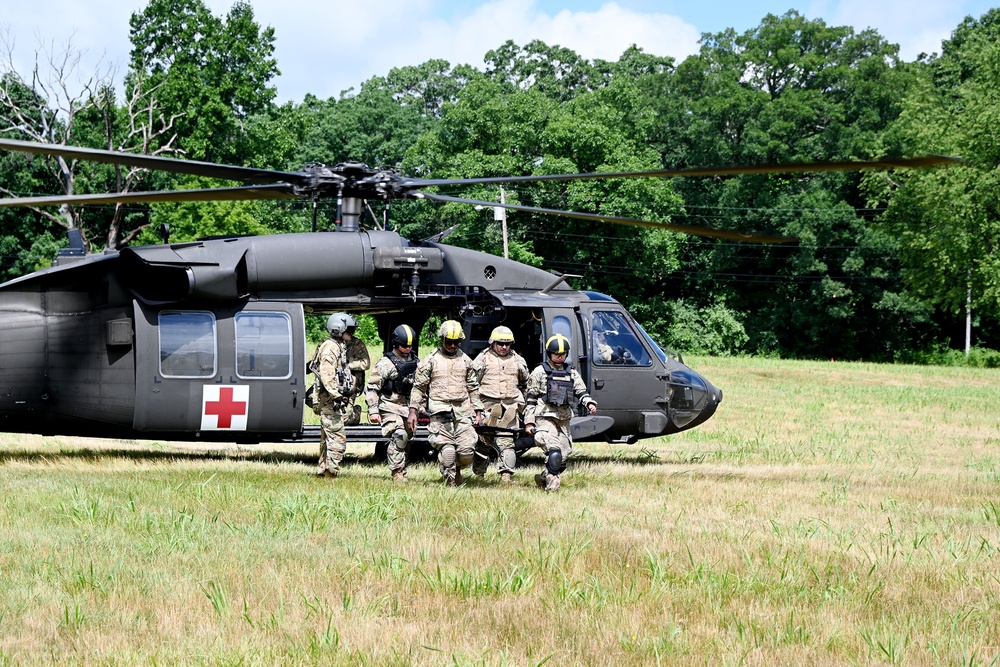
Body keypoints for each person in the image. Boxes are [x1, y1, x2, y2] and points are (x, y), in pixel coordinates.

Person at [407, 319, 483, 487]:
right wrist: (413, 411)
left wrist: (478, 411)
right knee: (448, 451)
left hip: (463, 412)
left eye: (456, 343)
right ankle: (449, 480)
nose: (453, 346)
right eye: (449, 342)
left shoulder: (466, 361)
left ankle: (455, 470)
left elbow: (473, 387)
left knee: (467, 452)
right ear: (442, 339)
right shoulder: (430, 361)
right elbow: (419, 387)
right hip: (440, 414)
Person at [523, 333, 598, 492]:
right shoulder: (539, 372)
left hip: (563, 417)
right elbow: (531, 398)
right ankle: (552, 490)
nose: (560, 357)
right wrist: (529, 421)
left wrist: (589, 403)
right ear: (550, 353)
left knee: (563, 457)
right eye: (557, 354)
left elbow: (581, 392)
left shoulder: (571, 372)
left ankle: (544, 477)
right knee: (554, 451)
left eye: (563, 354)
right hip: (545, 416)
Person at [471, 325, 530, 483]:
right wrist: (475, 408)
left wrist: (523, 406)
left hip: (510, 405)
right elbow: (471, 385)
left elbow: (526, 384)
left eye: (508, 344)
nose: (504, 347)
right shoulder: (482, 359)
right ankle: (478, 474)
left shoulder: (518, 360)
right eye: (500, 343)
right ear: (492, 343)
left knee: (507, 442)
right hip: (487, 405)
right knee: (484, 442)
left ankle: (506, 476)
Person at [365, 324, 419, 483]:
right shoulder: (385, 364)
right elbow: (372, 388)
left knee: (408, 440)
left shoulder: (416, 362)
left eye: (410, 345)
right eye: (404, 345)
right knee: (399, 435)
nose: (408, 348)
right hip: (389, 407)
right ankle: (397, 473)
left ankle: (401, 467)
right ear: (396, 343)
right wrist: (373, 410)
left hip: (408, 409)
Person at [311, 313, 358, 477]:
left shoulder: (337, 346)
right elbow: (327, 374)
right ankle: (332, 473)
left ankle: (323, 471)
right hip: (330, 400)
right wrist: (336, 395)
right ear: (339, 329)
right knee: (338, 439)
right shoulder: (331, 347)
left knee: (327, 438)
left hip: (330, 400)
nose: (351, 335)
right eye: (349, 331)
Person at [341, 315, 371, 425]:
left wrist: (347, 365)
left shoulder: (356, 344)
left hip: (350, 384)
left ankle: (356, 413)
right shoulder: (328, 344)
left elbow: (365, 363)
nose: (351, 332)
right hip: (330, 383)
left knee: (345, 418)